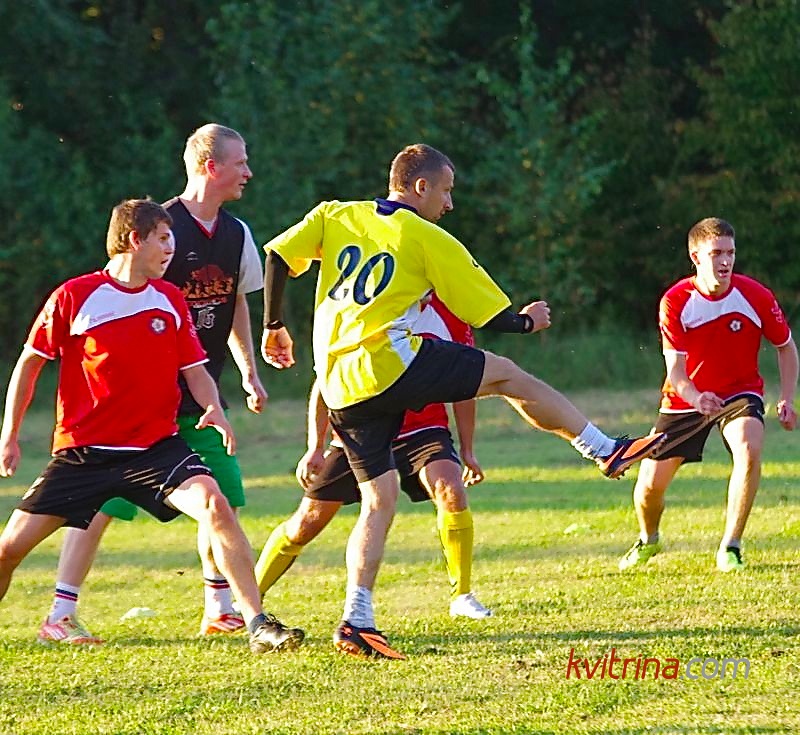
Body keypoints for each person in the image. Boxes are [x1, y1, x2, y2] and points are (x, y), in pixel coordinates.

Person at [259, 143, 666, 659]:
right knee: (509, 376)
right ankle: (603, 448)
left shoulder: (336, 214)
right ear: (420, 186)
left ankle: (357, 621)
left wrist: (274, 324)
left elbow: (277, 255)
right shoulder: (425, 235)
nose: (449, 204)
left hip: (341, 386)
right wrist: (527, 321)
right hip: (390, 365)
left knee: (379, 500)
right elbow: (489, 315)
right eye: (446, 191)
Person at [0, 198, 302, 654]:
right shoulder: (75, 296)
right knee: (8, 551)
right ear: (133, 240)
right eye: (162, 239)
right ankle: (58, 617)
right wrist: (10, 434)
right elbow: (30, 364)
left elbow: (195, 369)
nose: (171, 248)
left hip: (156, 449)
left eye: (172, 238)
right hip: (85, 453)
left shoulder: (169, 299)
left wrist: (214, 407)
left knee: (216, 504)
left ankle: (257, 623)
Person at [40, 124, 269, 644]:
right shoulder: (158, 227)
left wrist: (248, 369)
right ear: (210, 166)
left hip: (201, 395)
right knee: (98, 508)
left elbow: (234, 300)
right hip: (141, 409)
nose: (248, 172)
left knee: (222, 500)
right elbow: (110, 300)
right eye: (240, 162)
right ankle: (61, 610)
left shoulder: (237, 234)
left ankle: (220, 608)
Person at [255, 293, 492, 622]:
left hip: (422, 430)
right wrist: (315, 447)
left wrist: (468, 451)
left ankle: (462, 595)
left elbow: (464, 386)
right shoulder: (365, 307)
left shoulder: (451, 315)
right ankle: (249, 598)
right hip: (361, 431)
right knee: (306, 523)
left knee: (450, 489)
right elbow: (326, 381)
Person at [618, 217, 798, 573]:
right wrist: (697, 397)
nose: (725, 261)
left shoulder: (756, 296)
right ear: (696, 257)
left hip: (740, 392)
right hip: (685, 398)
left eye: (730, 253)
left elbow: (786, 347)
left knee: (749, 447)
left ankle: (731, 546)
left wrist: (788, 399)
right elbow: (675, 372)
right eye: (716, 253)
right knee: (649, 488)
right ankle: (649, 539)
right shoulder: (675, 301)